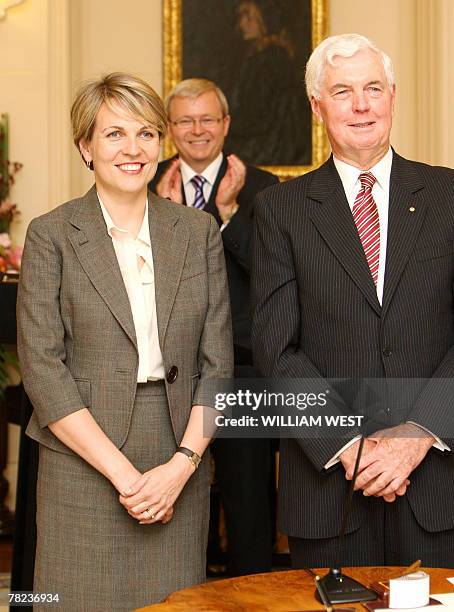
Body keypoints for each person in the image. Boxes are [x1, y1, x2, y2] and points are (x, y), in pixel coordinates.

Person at [17, 72, 233, 611]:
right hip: (81, 460)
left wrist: (181, 465)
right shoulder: (52, 235)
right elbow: (43, 369)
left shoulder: (197, 231)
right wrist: (127, 477)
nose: (132, 150)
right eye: (114, 134)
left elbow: (219, 366)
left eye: (145, 133)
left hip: (178, 455)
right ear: (85, 147)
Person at [251, 33, 454, 568]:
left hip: (438, 489)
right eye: (343, 91)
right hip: (330, 494)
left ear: (393, 95)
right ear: (318, 106)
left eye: (373, 88)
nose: (361, 105)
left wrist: (417, 436)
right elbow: (276, 349)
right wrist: (350, 446)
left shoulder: (448, 196)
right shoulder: (280, 209)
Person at [149, 78, 278, 576]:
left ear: (225, 125)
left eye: (208, 119)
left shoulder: (263, 186)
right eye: (185, 120)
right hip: (173, 370)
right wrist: (174, 221)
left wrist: (226, 215)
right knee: (180, 501)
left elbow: (272, 271)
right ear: (170, 129)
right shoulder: (143, 179)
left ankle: (254, 599)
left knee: (249, 502)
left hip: (244, 369)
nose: (197, 130)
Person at [226, 0, 310, 166]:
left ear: (264, 20)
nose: (241, 24)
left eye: (247, 16)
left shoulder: (267, 61)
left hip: (267, 148)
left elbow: (256, 115)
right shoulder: (268, 57)